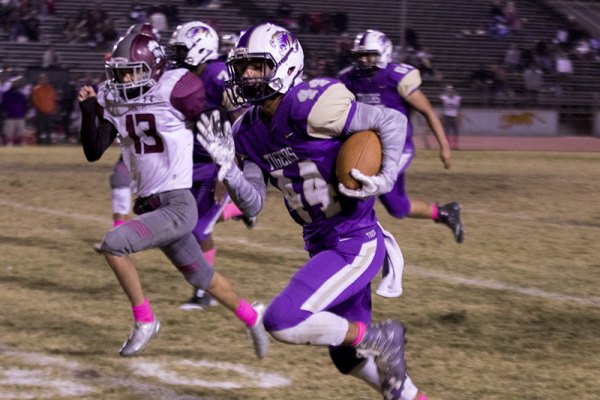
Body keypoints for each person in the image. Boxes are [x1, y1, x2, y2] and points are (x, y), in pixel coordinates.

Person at [196, 23, 428, 400]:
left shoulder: (311, 102)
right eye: (243, 67)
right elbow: (252, 202)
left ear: (285, 65)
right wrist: (228, 169)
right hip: (321, 243)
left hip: (354, 241)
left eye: (258, 66)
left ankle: (384, 339)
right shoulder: (247, 130)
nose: (247, 75)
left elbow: (392, 120)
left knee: (281, 320)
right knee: (347, 358)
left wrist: (385, 178)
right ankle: (406, 392)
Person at [77, 30, 268, 359]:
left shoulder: (176, 86)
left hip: (179, 205)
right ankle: (253, 318)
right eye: (120, 72)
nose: (124, 79)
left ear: (152, 67)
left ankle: (145, 321)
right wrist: (89, 109)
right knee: (202, 277)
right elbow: (94, 149)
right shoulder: (115, 95)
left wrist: (225, 162)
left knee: (114, 244)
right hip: (152, 204)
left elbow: (214, 116)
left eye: (131, 71)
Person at [339, 30, 464, 243]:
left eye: (369, 54)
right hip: (363, 146)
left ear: (384, 53)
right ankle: (444, 213)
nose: (363, 59)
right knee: (398, 208)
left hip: (396, 149)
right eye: (359, 55)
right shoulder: (349, 79)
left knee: (363, 186)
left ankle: (355, 240)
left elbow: (428, 111)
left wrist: (444, 147)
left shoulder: (395, 77)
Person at [168, 20, 254, 311]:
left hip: (216, 164)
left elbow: (242, 120)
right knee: (182, 221)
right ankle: (236, 209)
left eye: (182, 49)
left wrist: (228, 168)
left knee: (197, 229)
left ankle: (203, 293)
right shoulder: (185, 76)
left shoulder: (219, 75)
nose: (177, 55)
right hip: (190, 161)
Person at [30, 72, 57, 145]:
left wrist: (52, 109)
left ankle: (49, 142)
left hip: (49, 112)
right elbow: (35, 101)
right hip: (40, 112)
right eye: (42, 79)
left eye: (45, 78)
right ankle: (39, 142)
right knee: (40, 128)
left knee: (49, 128)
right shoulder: (36, 89)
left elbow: (53, 99)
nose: (43, 80)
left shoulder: (50, 88)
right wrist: (41, 109)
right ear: (39, 79)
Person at [440, 85, 462, 150]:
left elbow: (458, 109)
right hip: (446, 116)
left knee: (455, 132)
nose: (451, 93)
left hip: (454, 117)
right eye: (449, 91)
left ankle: (456, 145)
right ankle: (448, 145)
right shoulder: (445, 98)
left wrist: (459, 118)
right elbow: (441, 98)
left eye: (452, 91)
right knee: (447, 131)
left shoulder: (457, 98)